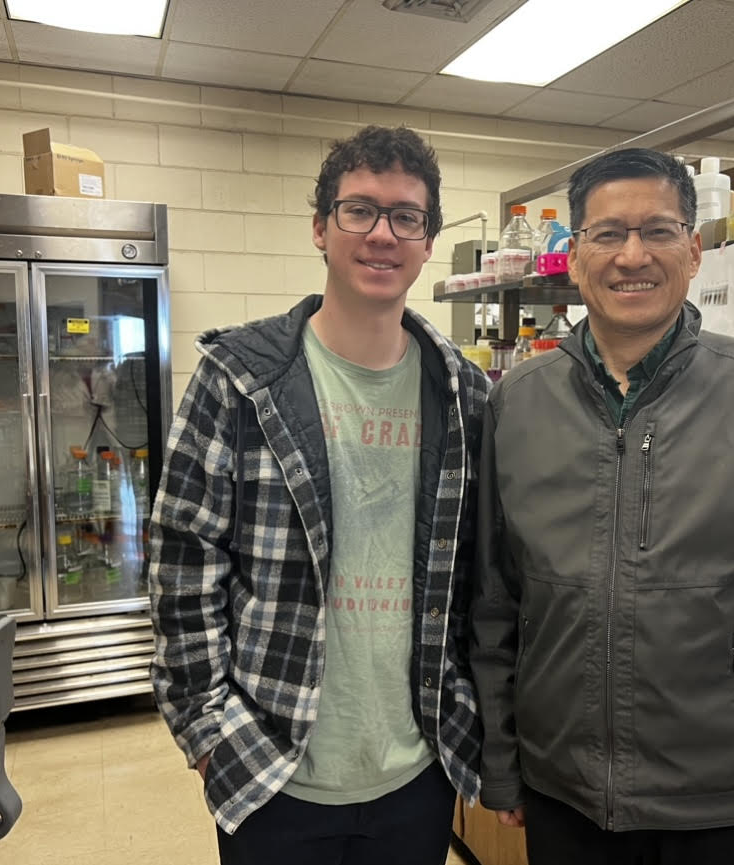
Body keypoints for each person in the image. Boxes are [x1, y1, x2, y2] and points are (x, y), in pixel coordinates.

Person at [471, 148, 734, 865]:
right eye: (608, 233)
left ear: (695, 249)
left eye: (659, 230)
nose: (633, 256)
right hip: (565, 791)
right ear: (575, 256)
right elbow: (495, 603)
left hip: (721, 800)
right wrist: (502, 758)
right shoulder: (518, 402)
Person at [149, 125, 489, 865]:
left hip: (418, 766)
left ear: (428, 239)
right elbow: (183, 561)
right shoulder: (239, 378)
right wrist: (207, 735)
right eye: (359, 209)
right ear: (320, 226)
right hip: (274, 772)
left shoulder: (463, 393)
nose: (382, 234)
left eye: (407, 216)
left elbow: (480, 575)